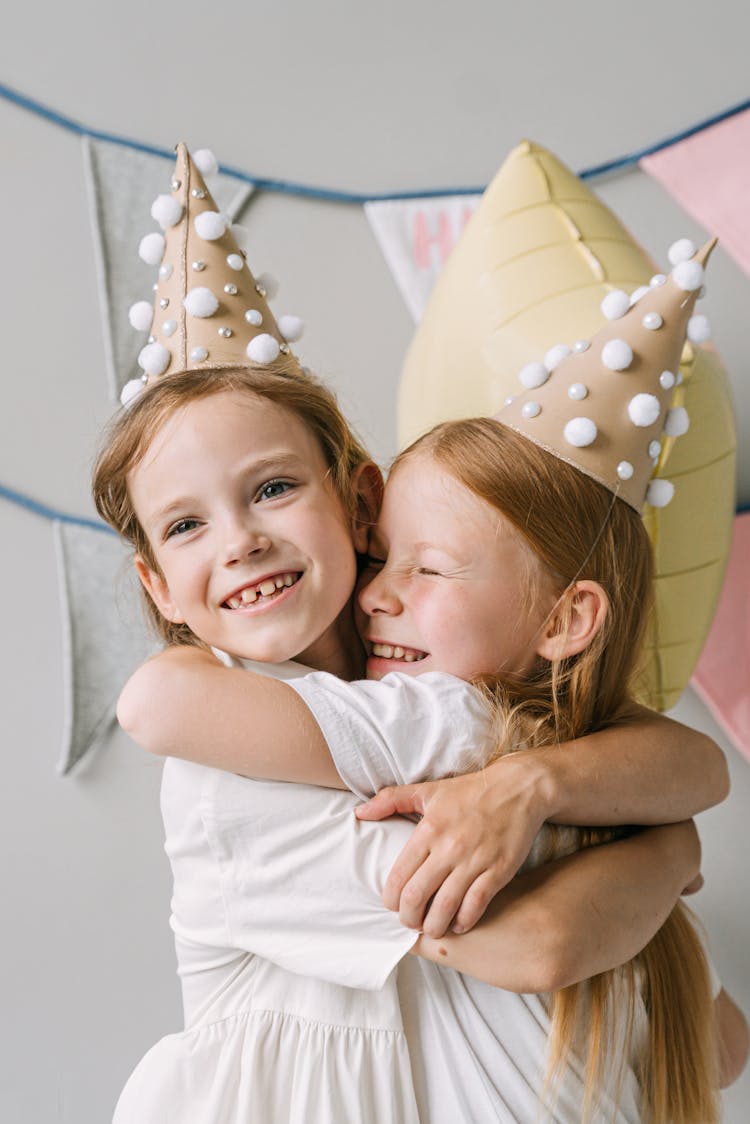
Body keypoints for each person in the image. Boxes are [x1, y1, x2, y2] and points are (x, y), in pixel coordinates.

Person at [97, 144, 741, 1121]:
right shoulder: (235, 779)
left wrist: (559, 785)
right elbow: (542, 940)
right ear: (158, 582)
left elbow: (719, 1039)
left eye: (273, 486)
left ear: (358, 502)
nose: (240, 541)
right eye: (185, 524)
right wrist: (660, 842)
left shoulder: (472, 710)